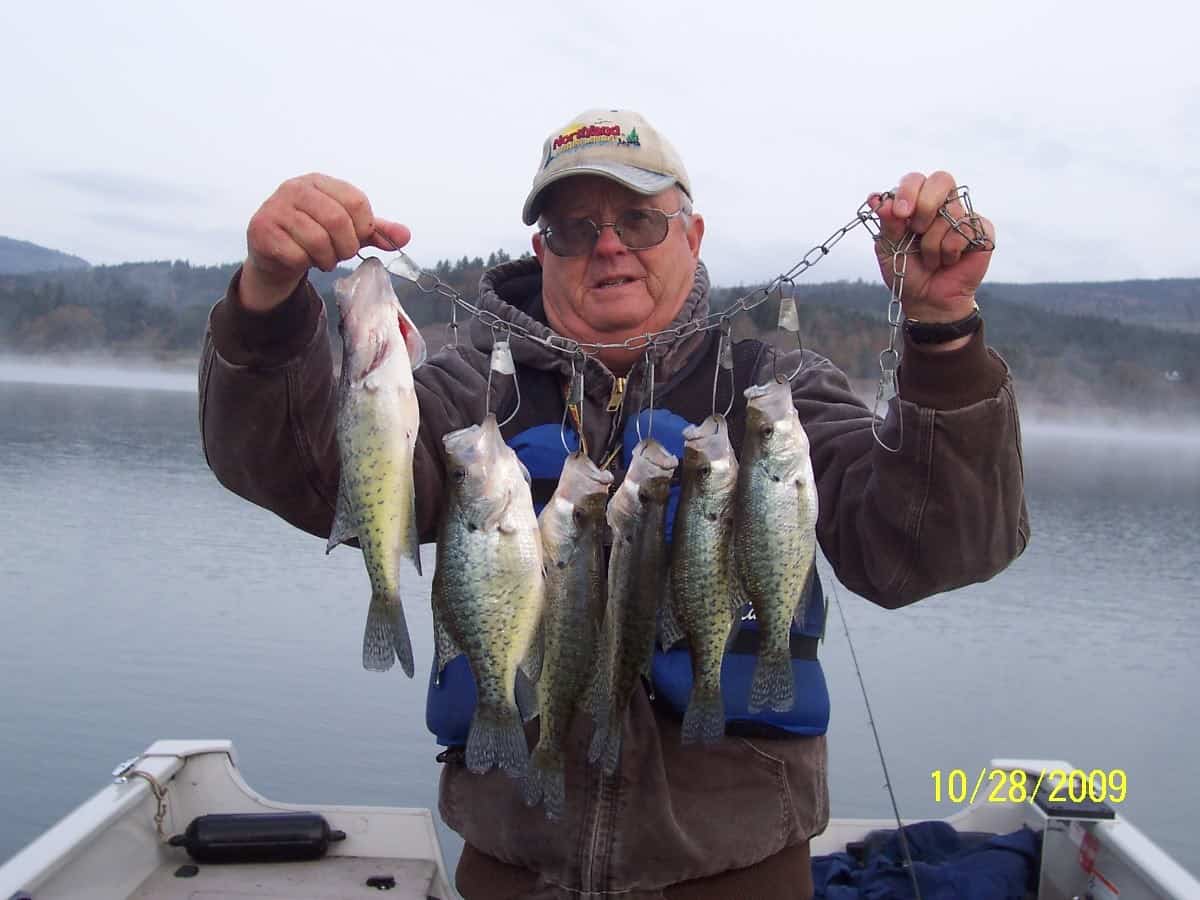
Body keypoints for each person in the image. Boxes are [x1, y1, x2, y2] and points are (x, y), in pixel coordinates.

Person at [199, 108, 1029, 899]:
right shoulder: (463, 399)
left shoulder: (776, 393)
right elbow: (307, 474)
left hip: (743, 876)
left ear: (692, 235)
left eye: (639, 220)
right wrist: (269, 303)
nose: (607, 247)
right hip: (513, 872)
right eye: (573, 227)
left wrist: (943, 330)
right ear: (541, 248)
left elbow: (923, 547)